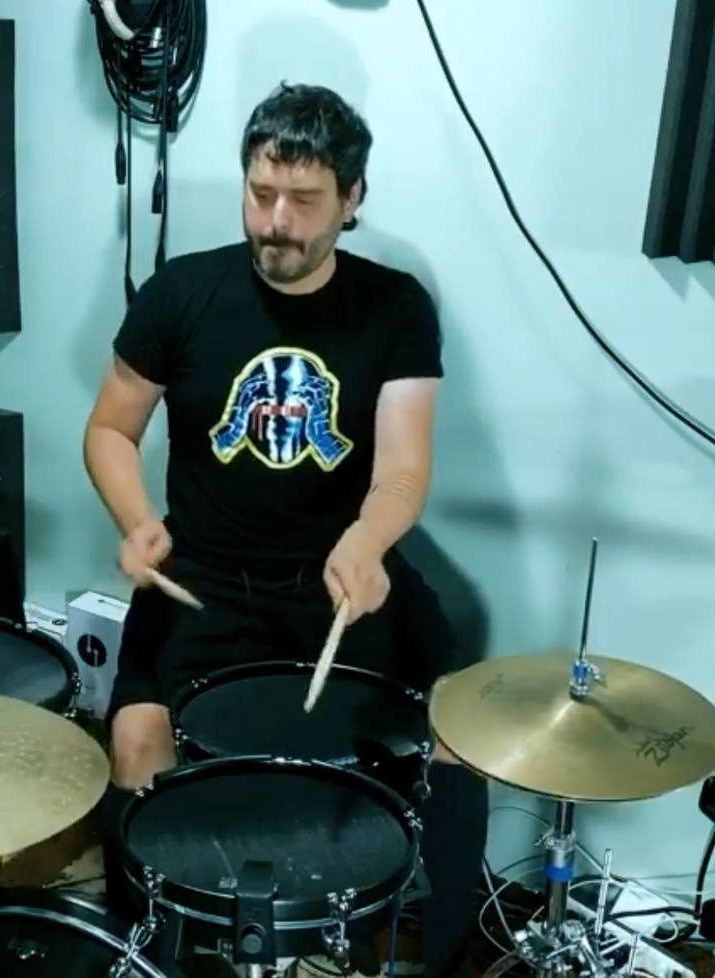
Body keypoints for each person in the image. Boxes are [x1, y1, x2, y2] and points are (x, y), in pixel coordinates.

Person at [84, 83, 488, 978]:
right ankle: (139, 956)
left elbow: (403, 468)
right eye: (260, 193)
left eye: (303, 201)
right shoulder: (179, 293)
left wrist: (368, 539)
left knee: (461, 737)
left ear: (353, 197)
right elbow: (110, 429)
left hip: (340, 581)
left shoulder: (395, 307)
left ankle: (444, 959)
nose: (276, 222)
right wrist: (138, 522)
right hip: (202, 579)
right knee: (136, 743)